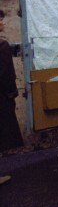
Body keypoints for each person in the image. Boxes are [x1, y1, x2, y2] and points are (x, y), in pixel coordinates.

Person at [0, 10, 23, 152]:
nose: (2, 23)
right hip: (3, 97)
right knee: (5, 135)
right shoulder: (2, 46)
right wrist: (11, 93)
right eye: (0, 20)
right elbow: (6, 74)